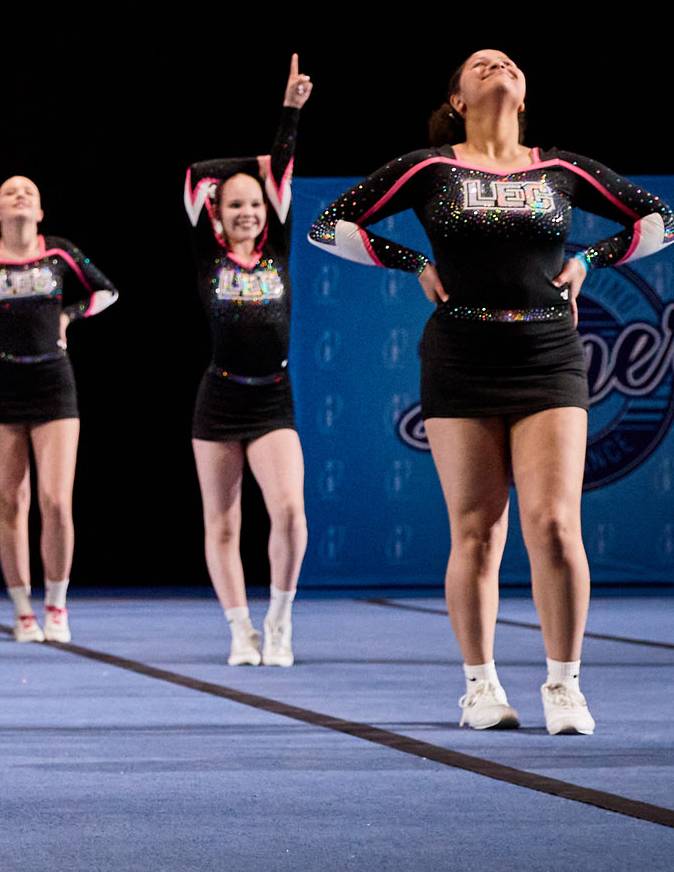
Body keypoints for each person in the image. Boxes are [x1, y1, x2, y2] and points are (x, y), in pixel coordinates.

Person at [308, 49, 669, 735]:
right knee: (477, 530)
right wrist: (412, 261)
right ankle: (480, 686)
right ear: (457, 101)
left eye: (506, 61)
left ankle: (564, 684)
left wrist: (590, 259)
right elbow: (329, 225)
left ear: (523, 96)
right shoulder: (428, 167)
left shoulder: (560, 168)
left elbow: (661, 219)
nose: (496, 63)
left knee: (554, 524)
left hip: (548, 353)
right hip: (461, 355)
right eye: (479, 64)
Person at [0, 179, 117, 643]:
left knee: (55, 501)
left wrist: (68, 316)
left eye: (29, 193)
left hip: (54, 382)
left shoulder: (59, 253)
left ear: (40, 212)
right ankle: (22, 611)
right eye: (10, 192)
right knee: (13, 501)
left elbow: (106, 292)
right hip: (3, 384)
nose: (20, 195)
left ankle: (56, 606)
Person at [184, 57, 313, 667]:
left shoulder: (277, 245)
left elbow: (283, 171)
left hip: (271, 394)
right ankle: (240, 630)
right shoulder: (206, 252)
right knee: (223, 523)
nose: (247, 212)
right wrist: (253, 165)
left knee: (289, 511)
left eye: (256, 203)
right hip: (220, 396)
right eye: (235, 204)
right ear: (217, 212)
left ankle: (279, 621)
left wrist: (289, 115)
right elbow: (195, 172)